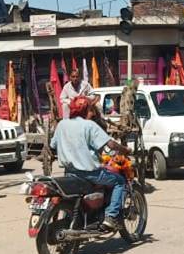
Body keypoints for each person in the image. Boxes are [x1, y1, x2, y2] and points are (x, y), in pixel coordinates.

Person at [50, 96, 132, 230]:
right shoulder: (89, 125)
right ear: (85, 110)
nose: (93, 113)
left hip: (69, 173)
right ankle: (110, 216)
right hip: (90, 173)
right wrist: (125, 149)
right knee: (120, 181)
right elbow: (110, 144)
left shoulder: (62, 125)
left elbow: (53, 145)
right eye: (90, 109)